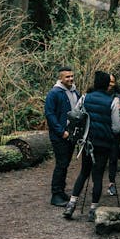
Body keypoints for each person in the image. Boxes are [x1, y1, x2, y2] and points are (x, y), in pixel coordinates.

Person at [63, 71, 120, 221]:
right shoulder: (113, 101)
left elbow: (75, 114)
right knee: (97, 176)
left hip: (87, 142)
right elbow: (116, 128)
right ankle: (93, 210)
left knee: (84, 172)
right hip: (103, 144)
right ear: (106, 84)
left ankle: (71, 205)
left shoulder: (85, 97)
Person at [45, 66, 80, 207]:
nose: (70, 79)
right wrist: (61, 132)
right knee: (61, 164)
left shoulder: (74, 92)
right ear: (61, 78)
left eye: (72, 76)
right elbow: (50, 115)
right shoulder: (54, 93)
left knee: (65, 164)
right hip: (60, 136)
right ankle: (55, 195)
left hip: (71, 134)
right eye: (67, 77)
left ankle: (61, 191)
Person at [106, 73, 120, 196]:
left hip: (115, 132)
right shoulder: (98, 96)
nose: (110, 85)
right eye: (108, 82)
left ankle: (111, 183)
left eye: (112, 82)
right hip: (102, 132)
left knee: (113, 159)